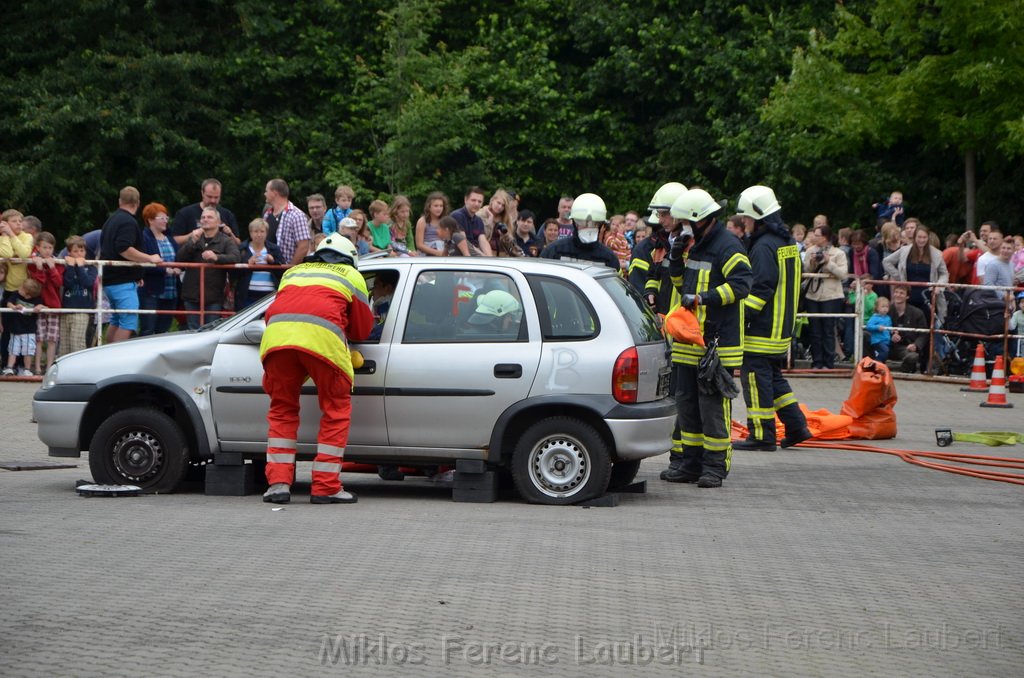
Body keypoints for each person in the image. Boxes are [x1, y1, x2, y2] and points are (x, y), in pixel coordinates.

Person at [260, 234, 374, 505]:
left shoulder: (294, 272)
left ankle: (278, 484)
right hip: (323, 345)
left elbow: (274, 312)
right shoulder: (351, 275)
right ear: (351, 259)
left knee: (282, 410)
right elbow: (361, 329)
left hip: (278, 342)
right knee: (335, 411)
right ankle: (325, 486)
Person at [660, 188, 751, 488]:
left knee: (712, 408)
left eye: (686, 221)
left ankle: (714, 467)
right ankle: (690, 463)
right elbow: (679, 283)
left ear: (701, 219)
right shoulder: (695, 244)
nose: (682, 226)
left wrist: (703, 298)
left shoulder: (728, 246)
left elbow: (741, 286)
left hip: (716, 343)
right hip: (688, 342)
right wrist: (675, 257)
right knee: (687, 406)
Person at [731, 186, 811, 452]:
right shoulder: (786, 243)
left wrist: (738, 316)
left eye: (747, 219)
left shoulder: (764, 247)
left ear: (758, 217)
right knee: (773, 379)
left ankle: (761, 435)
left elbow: (760, 289)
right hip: (781, 327)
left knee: (754, 379)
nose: (745, 224)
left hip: (762, 329)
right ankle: (797, 426)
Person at [100, 187, 160, 343]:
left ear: (120, 201)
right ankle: (114, 357)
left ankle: (104, 354)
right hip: (121, 280)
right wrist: (149, 258)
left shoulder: (111, 220)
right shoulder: (128, 222)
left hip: (112, 279)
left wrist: (137, 273)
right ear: (138, 203)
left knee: (117, 319)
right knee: (128, 322)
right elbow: (124, 249)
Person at [177, 206, 240, 329]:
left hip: (213, 296)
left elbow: (236, 257)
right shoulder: (194, 238)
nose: (205, 220)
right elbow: (180, 258)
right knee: (193, 331)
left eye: (209, 217)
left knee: (210, 330)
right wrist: (192, 242)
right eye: (203, 217)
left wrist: (217, 258)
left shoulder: (226, 241)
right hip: (191, 294)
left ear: (218, 222)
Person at [627, 182, 687, 304]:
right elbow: (653, 275)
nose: (660, 220)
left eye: (664, 214)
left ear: (679, 212)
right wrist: (651, 291)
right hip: (665, 319)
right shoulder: (660, 247)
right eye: (659, 214)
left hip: (685, 319)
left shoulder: (694, 246)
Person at [882, 222, 949, 323]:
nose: (921, 240)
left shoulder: (937, 254)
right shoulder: (904, 250)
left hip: (928, 298)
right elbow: (886, 262)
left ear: (928, 238)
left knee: (927, 328)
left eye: (924, 237)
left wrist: (939, 286)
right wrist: (899, 277)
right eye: (919, 237)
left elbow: (944, 273)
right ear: (914, 237)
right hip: (908, 297)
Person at [802, 224, 848, 369]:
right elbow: (805, 270)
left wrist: (828, 262)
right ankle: (817, 362)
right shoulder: (810, 251)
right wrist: (812, 261)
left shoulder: (838, 253)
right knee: (815, 330)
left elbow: (843, 274)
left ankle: (829, 363)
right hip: (813, 295)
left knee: (828, 330)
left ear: (825, 237)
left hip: (831, 296)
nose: (814, 237)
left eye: (817, 235)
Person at [539, 193, 620, 270]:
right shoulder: (554, 251)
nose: (588, 227)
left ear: (601, 226)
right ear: (574, 223)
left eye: (594, 223)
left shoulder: (609, 258)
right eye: (582, 222)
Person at [139, 203, 180, 336]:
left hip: (171, 290)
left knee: (164, 331)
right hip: (152, 291)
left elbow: (179, 258)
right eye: (161, 218)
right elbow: (143, 264)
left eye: (166, 218)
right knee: (148, 329)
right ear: (150, 220)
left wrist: (179, 267)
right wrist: (165, 270)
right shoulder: (143, 238)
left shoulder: (169, 238)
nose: (165, 221)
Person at [1, 209, 36, 367]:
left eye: (20, 221)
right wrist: (5, 235)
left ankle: (23, 365)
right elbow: (6, 253)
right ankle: (6, 365)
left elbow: (24, 253)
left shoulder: (27, 237)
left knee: (25, 329)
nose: (18, 224)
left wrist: (13, 236)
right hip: (9, 291)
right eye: (14, 221)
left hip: (25, 292)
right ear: (6, 224)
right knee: (7, 330)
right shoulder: (3, 238)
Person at [29, 232, 64, 374]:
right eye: (44, 247)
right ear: (38, 247)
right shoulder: (33, 262)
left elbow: (59, 282)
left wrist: (52, 268)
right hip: (38, 304)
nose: (47, 250)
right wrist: (39, 268)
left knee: (52, 338)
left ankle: (49, 367)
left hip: (54, 305)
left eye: (50, 247)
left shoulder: (57, 262)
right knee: (39, 338)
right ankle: (36, 367)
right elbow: (38, 284)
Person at [171, 178, 239, 245]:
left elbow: (238, 244)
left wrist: (230, 234)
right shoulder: (185, 213)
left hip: (221, 255)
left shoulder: (227, 214)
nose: (213, 201)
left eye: (216, 197)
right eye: (209, 197)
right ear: (202, 193)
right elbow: (174, 240)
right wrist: (193, 235)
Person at [235, 218, 284, 310]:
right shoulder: (242, 249)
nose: (259, 235)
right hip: (247, 294)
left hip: (270, 295)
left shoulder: (274, 249)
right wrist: (248, 264)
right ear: (250, 233)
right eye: (256, 231)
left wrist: (273, 262)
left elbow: (282, 272)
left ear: (266, 233)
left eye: (262, 231)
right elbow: (234, 273)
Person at [59, 236, 97, 356]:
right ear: (69, 252)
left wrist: (80, 267)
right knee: (64, 345)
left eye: (82, 251)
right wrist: (70, 267)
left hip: (82, 310)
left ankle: (78, 369)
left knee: (77, 343)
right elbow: (67, 283)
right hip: (66, 310)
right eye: (75, 251)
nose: (79, 254)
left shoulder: (91, 267)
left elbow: (88, 283)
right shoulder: (66, 266)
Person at [263, 178, 311, 265]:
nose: (265, 194)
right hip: (267, 271)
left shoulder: (296, 215)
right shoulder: (267, 215)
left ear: (274, 193)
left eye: (266, 191)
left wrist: (289, 268)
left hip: (288, 272)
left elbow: (303, 246)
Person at [3, 278, 44, 376]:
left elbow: (44, 306)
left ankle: (27, 369)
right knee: (13, 350)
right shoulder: (16, 294)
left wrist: (40, 307)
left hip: (29, 331)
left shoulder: (37, 300)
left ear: (27, 294)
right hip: (15, 329)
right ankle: (9, 368)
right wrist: (14, 307)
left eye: (22, 288)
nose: (19, 288)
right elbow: (9, 303)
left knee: (28, 351)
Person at [887, 284, 929, 373]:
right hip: (886, 345)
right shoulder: (886, 310)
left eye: (901, 293)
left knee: (913, 356)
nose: (898, 295)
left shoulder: (917, 313)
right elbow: (877, 327)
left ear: (907, 296)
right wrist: (890, 335)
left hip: (906, 348)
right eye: (896, 292)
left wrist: (916, 345)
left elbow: (924, 334)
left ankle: (902, 371)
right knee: (866, 336)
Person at [450, 187, 491, 256]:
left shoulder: (478, 220)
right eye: (473, 200)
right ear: (465, 200)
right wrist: (483, 257)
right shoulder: (457, 216)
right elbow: (464, 243)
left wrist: (490, 259)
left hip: (473, 256)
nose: (476, 204)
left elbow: (483, 241)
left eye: (479, 202)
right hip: (459, 257)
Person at [414, 191, 449, 256]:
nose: (439, 208)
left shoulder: (445, 221)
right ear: (429, 207)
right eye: (436, 206)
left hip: (443, 251)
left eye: (441, 206)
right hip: (427, 253)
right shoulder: (422, 221)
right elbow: (419, 245)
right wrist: (437, 252)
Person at [864, 296, 892, 361]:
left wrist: (893, 331)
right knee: (885, 351)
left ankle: (879, 366)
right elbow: (868, 326)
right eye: (883, 307)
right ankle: (876, 362)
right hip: (877, 340)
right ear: (877, 308)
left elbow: (890, 327)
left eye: (887, 307)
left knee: (884, 354)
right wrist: (877, 327)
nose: (885, 309)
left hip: (886, 340)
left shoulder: (888, 318)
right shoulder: (875, 317)